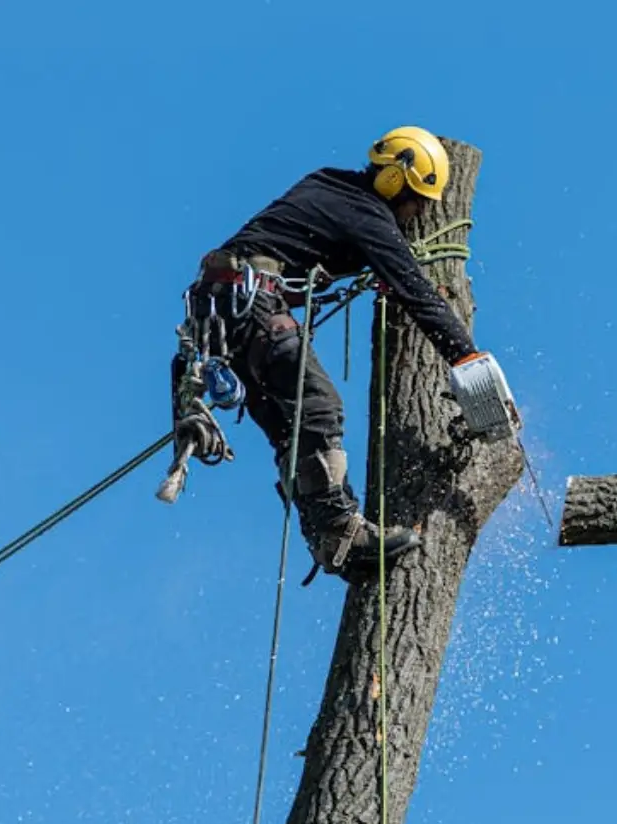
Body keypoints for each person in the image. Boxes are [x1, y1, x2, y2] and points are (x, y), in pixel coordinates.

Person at [167, 125, 512, 580]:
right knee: (318, 406)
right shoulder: (367, 213)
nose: (414, 216)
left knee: (293, 433)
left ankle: (331, 540)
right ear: (394, 183)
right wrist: (470, 361)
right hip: (249, 308)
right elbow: (418, 295)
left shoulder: (328, 183)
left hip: (222, 316)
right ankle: (340, 529)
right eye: (417, 204)